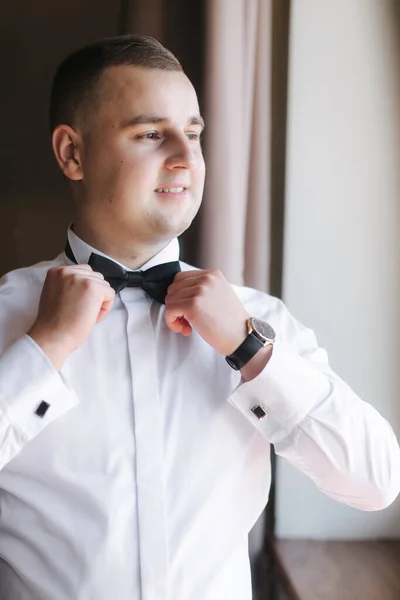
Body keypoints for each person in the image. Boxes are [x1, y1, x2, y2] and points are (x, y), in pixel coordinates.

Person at [0, 34, 398, 600]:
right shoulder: (8, 315)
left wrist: (249, 350)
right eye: (150, 134)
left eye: (193, 133)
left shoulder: (258, 320)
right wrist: (41, 353)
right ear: (72, 154)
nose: (186, 158)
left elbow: (375, 481)